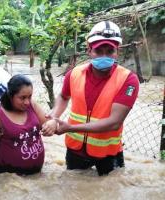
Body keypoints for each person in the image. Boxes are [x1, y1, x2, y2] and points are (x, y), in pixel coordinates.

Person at [42, 21, 140, 176]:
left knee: (110, 190)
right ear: (89, 50)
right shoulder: (73, 74)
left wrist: (70, 128)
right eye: (98, 51)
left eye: (110, 51)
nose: (104, 56)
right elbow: (63, 96)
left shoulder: (128, 80)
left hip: (108, 153)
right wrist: (54, 117)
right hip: (76, 151)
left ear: (117, 52)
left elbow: (114, 122)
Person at [0, 74, 57, 175]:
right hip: (6, 176)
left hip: (35, 172)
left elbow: (49, 124)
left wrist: (53, 123)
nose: (27, 102)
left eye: (30, 97)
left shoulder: (32, 105)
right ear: (10, 96)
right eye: (22, 98)